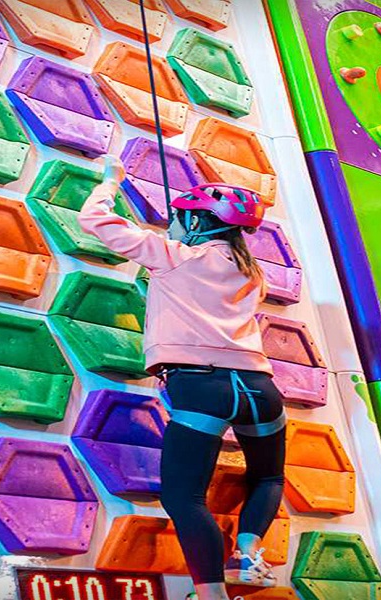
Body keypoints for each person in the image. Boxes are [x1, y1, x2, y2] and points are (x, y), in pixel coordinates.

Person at [79, 156, 286, 600]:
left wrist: (111, 182)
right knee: (268, 477)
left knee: (184, 497)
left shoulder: (175, 257)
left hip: (203, 387)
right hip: (260, 389)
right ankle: (248, 555)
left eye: (177, 218)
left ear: (194, 222)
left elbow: (95, 221)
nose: (170, 226)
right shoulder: (253, 275)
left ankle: (212, 595)